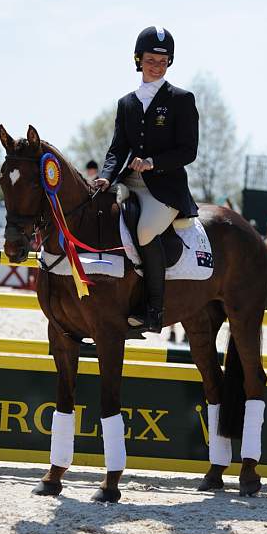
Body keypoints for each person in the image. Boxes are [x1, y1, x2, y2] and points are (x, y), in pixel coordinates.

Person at [95, 26, 199, 332]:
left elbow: (188, 150)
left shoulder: (181, 99)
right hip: (130, 183)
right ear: (139, 60)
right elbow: (118, 149)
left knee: (143, 232)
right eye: (151, 59)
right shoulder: (126, 103)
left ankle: (154, 310)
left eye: (163, 60)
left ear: (169, 63)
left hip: (165, 189)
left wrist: (153, 162)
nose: (156, 65)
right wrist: (104, 177)